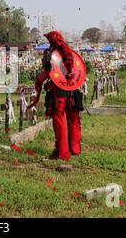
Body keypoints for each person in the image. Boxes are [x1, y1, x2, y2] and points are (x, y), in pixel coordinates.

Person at [28, 31, 85, 161]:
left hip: (58, 94)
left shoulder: (50, 53)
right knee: (73, 121)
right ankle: (75, 149)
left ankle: (63, 153)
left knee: (60, 122)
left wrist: (38, 82)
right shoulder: (69, 52)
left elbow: (47, 73)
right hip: (73, 91)